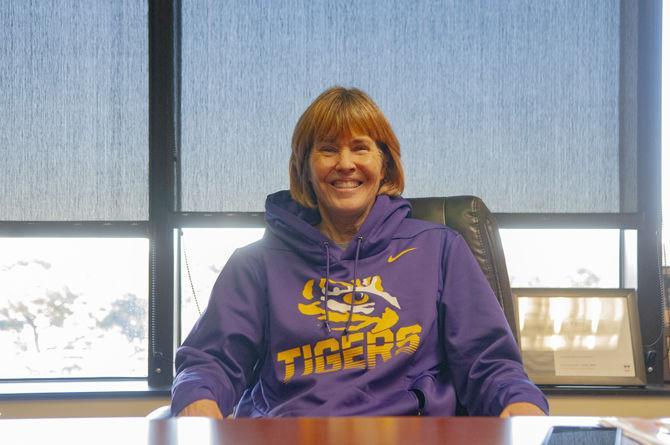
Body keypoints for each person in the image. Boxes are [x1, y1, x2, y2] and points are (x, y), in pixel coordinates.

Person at [171, 87, 548, 418]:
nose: (345, 164)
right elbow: (210, 362)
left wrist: (521, 407)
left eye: (361, 147)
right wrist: (198, 403)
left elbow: (489, 363)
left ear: (384, 163)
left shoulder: (440, 249)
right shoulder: (255, 264)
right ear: (305, 167)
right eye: (328, 149)